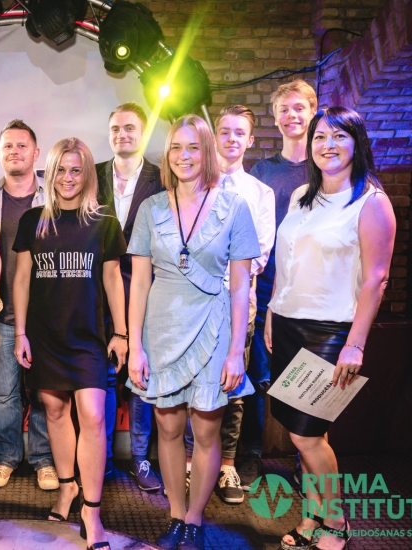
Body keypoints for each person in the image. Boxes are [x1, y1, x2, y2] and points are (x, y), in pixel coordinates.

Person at [126, 115, 260, 550]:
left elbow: (240, 286)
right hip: (161, 330)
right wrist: (134, 346)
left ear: (207, 152)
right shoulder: (150, 208)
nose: (183, 156)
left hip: (214, 329)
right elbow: (139, 283)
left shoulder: (234, 206)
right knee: (167, 430)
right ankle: (176, 515)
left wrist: (236, 351)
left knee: (205, 432)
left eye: (193, 147)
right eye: (176, 148)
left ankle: (195, 520)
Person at [266, 106, 395, 550]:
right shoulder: (303, 194)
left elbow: (377, 279)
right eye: (320, 137)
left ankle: (336, 521)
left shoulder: (371, 201)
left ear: (357, 143)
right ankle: (311, 519)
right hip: (288, 323)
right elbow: (287, 260)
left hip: (330, 331)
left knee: (306, 434)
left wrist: (355, 345)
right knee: (307, 436)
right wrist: (272, 311)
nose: (328, 145)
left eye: (339, 136)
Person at [12, 137, 127, 550]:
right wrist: (20, 333)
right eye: (60, 169)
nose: (67, 177)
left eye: (76, 170)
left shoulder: (104, 221)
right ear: (51, 173)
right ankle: (67, 488)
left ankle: (91, 513)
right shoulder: (33, 220)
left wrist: (121, 333)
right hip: (45, 334)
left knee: (93, 416)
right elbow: (21, 279)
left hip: (88, 337)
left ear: (87, 174)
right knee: (56, 411)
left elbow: (113, 278)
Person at [183, 105, 275, 505]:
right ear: (214, 137)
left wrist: (219, 261)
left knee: (233, 386)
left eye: (240, 132)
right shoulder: (194, 184)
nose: (232, 138)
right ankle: (191, 462)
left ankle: (226, 465)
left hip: (239, 305)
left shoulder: (260, 193)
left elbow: (260, 254)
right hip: (195, 303)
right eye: (225, 131)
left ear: (250, 140)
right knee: (193, 382)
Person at [240, 80, 318, 491]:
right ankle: (250, 455)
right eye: (284, 109)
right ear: (275, 117)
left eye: (299, 108)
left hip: (310, 296)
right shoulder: (262, 173)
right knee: (257, 379)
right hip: (265, 290)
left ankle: (309, 463)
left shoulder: (325, 169)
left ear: (312, 111)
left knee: (307, 382)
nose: (291, 115)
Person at [0, 120, 57, 490]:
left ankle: (45, 460)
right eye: (8, 146)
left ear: (36, 153)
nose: (15, 152)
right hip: (1, 313)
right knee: (3, 393)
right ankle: (6, 457)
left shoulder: (54, 196)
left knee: (44, 390)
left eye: (22, 146)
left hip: (44, 314)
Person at [95, 102, 162, 490]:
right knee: (103, 376)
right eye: (116, 129)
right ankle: (101, 460)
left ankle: (140, 460)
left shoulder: (162, 177)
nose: (122, 134)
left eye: (130, 128)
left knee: (140, 376)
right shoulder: (92, 174)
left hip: (144, 289)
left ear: (143, 133)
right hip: (97, 292)